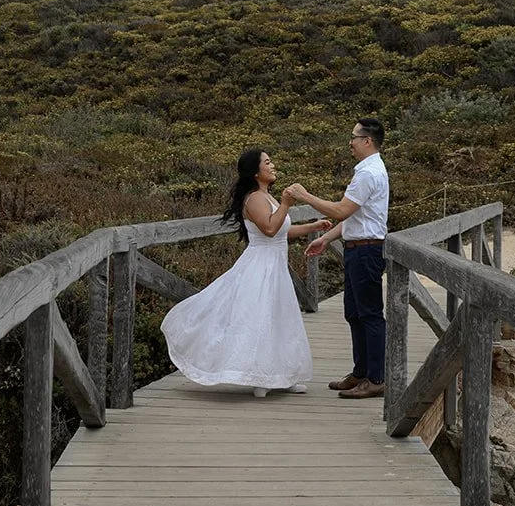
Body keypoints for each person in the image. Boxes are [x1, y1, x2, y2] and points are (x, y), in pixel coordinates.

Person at [160, 148, 327, 399]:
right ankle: (260, 377)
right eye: (267, 163)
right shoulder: (254, 199)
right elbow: (270, 229)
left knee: (281, 317)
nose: (272, 166)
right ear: (255, 171)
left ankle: (285, 374)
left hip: (276, 264)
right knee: (260, 318)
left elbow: (282, 230)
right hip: (260, 265)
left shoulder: (266, 197)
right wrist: (286, 203)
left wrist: (312, 226)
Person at [293, 118, 389, 399]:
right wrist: (326, 238)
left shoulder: (369, 173)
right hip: (358, 248)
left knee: (369, 314)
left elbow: (341, 211)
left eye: (354, 137)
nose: (350, 141)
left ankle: (376, 378)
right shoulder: (367, 171)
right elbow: (354, 216)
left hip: (367, 251)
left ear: (367, 141)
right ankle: (361, 373)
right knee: (354, 313)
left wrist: (306, 196)